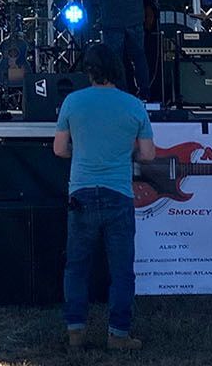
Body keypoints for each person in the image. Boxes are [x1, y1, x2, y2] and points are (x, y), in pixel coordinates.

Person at [52, 42, 155, 352]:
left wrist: (82, 150)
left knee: (77, 266)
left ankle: (76, 332)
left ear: (89, 70)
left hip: (81, 193)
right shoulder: (133, 105)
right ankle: (118, 334)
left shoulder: (73, 101)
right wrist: (126, 151)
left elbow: (59, 149)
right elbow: (148, 154)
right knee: (121, 270)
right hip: (118, 193)